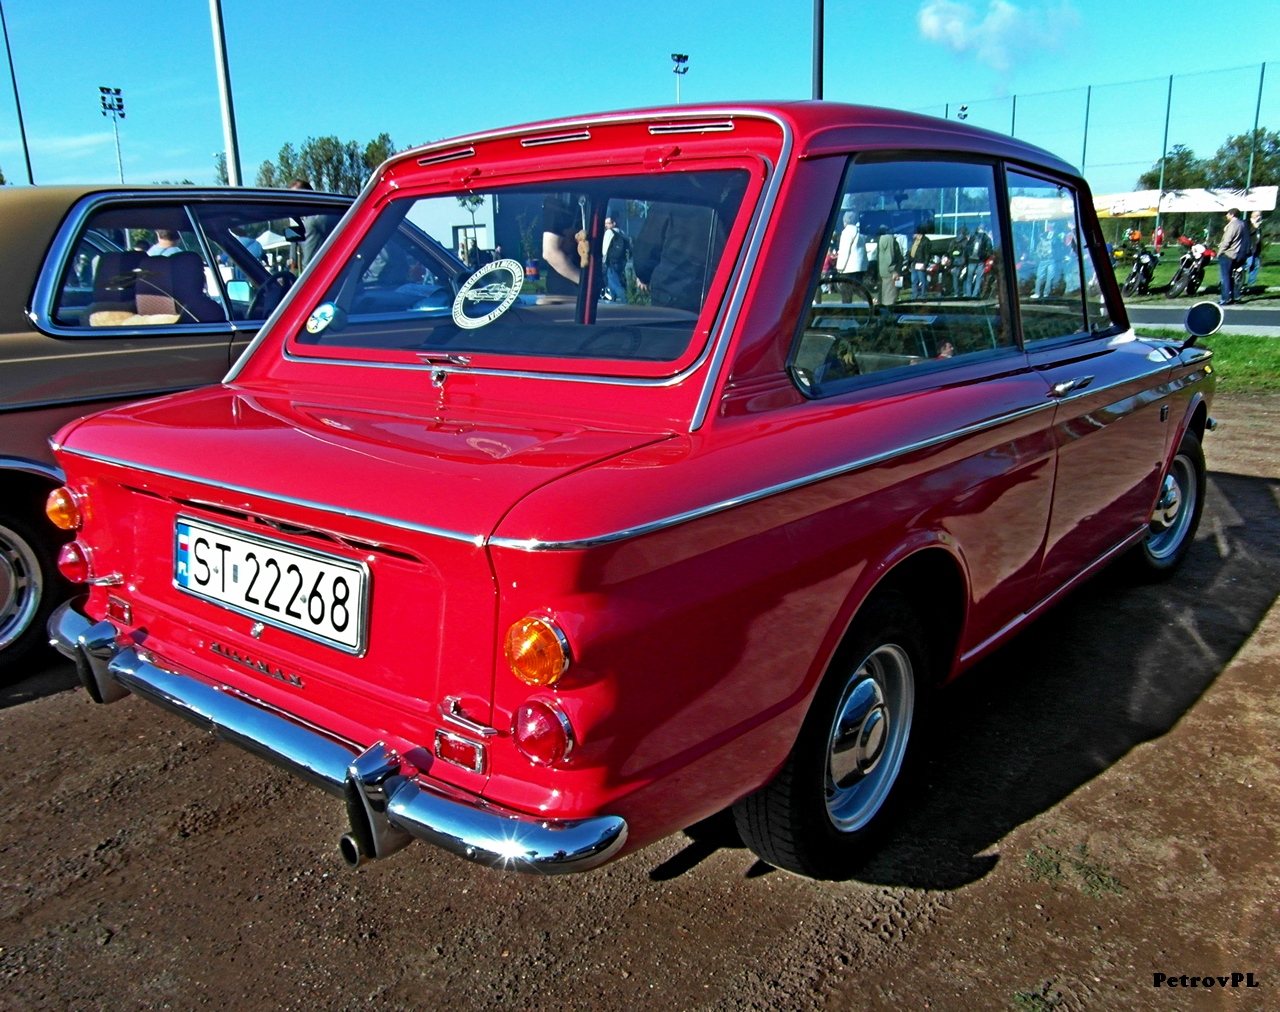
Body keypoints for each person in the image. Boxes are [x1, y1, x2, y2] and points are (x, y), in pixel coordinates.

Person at [541, 194, 582, 296]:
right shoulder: (561, 199)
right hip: (567, 289)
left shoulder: (588, 197)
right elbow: (550, 253)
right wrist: (585, 282)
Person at [1217, 207, 1248, 305]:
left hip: (1228, 253)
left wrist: (1220, 251)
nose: (1226, 215)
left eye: (1228, 214)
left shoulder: (1233, 225)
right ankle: (1236, 296)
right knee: (1230, 276)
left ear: (1232, 214)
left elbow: (1227, 240)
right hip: (1236, 253)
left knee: (1225, 277)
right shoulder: (1241, 224)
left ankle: (1225, 298)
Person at [602, 216, 630, 302]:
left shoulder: (609, 232)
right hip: (621, 262)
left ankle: (627, 302)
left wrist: (603, 260)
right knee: (612, 284)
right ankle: (612, 302)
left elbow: (605, 248)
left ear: (613, 223)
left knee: (615, 284)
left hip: (611, 262)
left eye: (607, 223)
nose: (606, 226)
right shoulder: (622, 233)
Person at [875, 227, 902, 306]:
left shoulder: (882, 238)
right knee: (890, 300)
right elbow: (890, 256)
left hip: (884, 272)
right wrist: (894, 270)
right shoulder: (888, 238)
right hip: (890, 274)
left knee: (884, 299)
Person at [966, 225, 992, 298]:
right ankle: (975, 294)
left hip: (971, 260)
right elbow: (989, 249)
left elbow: (967, 247)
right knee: (978, 278)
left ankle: (968, 295)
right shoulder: (986, 238)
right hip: (981, 260)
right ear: (985, 229)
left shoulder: (973, 236)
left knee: (969, 278)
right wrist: (985, 256)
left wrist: (969, 256)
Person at [908, 228, 931, 299]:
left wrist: (925, 264)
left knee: (922, 280)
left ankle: (923, 295)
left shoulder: (926, 241)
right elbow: (911, 251)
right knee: (914, 280)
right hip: (913, 263)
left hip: (921, 263)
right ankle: (914, 295)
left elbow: (927, 254)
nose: (913, 235)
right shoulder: (914, 241)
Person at [1247, 210, 1264, 287]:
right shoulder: (1248, 223)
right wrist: (1254, 226)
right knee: (1248, 264)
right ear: (1252, 216)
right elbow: (1248, 233)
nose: (1259, 217)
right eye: (1257, 215)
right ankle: (1238, 280)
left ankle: (1251, 283)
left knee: (1255, 265)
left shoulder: (1259, 225)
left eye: (1259, 215)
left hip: (1256, 248)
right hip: (1249, 248)